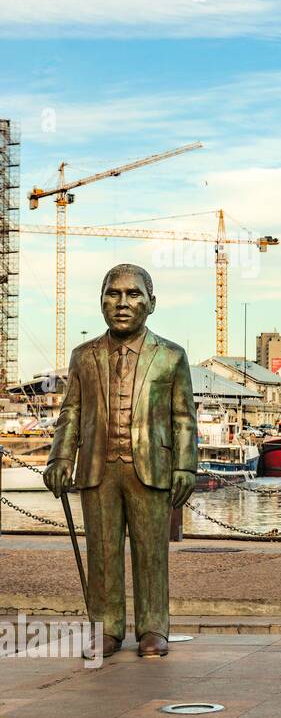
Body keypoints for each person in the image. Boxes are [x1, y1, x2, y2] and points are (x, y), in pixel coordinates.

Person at [45, 264, 197, 659]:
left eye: (133, 295)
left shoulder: (171, 357)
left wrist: (185, 467)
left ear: (151, 303)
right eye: (113, 294)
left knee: (151, 552)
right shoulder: (84, 355)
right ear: (101, 302)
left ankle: (152, 628)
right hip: (97, 468)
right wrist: (61, 456)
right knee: (103, 551)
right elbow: (71, 412)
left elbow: (183, 418)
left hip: (150, 467)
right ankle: (106, 629)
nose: (123, 303)